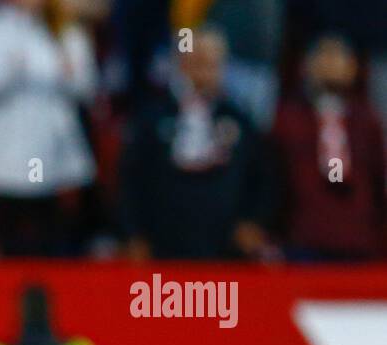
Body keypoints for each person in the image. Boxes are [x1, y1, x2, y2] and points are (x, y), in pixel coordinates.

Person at [119, 26, 276, 260]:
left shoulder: (240, 121)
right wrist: (132, 234)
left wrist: (253, 222)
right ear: (180, 64)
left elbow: (263, 179)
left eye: (210, 64)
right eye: (195, 62)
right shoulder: (152, 120)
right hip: (161, 251)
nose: (202, 72)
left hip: (225, 254)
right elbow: (129, 180)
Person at [0, 0, 98, 256]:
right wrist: (11, 70)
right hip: (8, 147)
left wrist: (66, 74)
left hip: (53, 147)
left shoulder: (63, 26)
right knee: (9, 227)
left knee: (52, 229)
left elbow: (87, 83)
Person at [272, 34, 386, 261]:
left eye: (338, 56)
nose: (330, 64)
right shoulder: (287, 120)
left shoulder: (367, 121)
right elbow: (274, 180)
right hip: (303, 239)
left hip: (360, 240)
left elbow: (378, 180)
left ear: (353, 68)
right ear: (305, 66)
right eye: (323, 55)